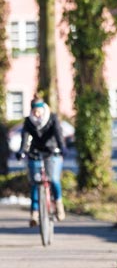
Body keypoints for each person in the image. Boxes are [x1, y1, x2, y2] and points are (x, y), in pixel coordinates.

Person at [15, 96, 67, 227]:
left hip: (52, 151)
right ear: (31, 111)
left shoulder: (52, 118)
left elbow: (58, 135)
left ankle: (59, 206)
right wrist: (22, 151)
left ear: (43, 109)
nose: (37, 114)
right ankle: (34, 214)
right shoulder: (29, 122)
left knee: (54, 179)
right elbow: (25, 137)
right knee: (35, 182)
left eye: (39, 110)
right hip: (36, 152)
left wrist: (62, 148)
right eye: (34, 111)